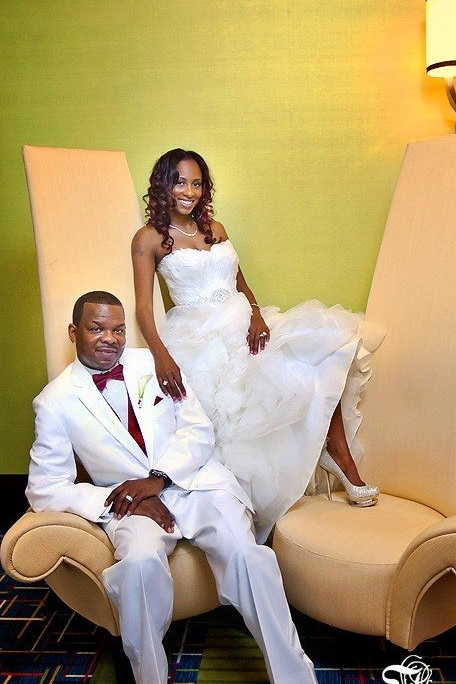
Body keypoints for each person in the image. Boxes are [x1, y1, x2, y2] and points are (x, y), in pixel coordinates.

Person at [26, 291, 342, 684]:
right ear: (74, 333)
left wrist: (159, 479)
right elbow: (45, 489)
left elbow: (198, 428)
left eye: (116, 329)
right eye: (96, 329)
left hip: (194, 482)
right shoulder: (54, 402)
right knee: (135, 569)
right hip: (128, 505)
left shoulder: (154, 363)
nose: (109, 340)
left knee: (248, 556)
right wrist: (121, 498)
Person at [132, 148, 379, 543]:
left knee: (320, 346)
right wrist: (162, 355)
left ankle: (337, 453)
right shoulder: (149, 239)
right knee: (241, 404)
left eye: (197, 183)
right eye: (180, 181)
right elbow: (143, 307)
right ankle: (239, 511)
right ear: (163, 184)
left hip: (243, 321)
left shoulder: (216, 228)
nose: (189, 191)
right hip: (198, 334)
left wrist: (258, 316)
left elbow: (241, 283)